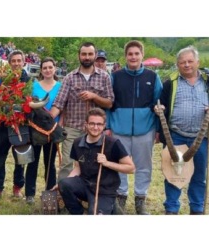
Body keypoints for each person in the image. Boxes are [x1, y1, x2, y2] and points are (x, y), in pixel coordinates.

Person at [156, 46, 209, 215]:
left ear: (197, 62)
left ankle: (196, 209)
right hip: (175, 135)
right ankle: (171, 208)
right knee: (173, 173)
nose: (186, 65)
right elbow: (162, 105)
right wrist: (160, 109)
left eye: (190, 61)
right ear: (178, 64)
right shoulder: (170, 83)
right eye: (182, 62)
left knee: (199, 174)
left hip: (199, 137)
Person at [106, 40, 163, 215]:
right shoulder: (115, 76)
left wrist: (158, 129)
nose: (133, 57)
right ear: (125, 56)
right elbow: (108, 103)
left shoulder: (152, 77)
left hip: (145, 129)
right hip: (118, 129)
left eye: (136, 53)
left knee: (144, 165)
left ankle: (140, 199)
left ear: (142, 55)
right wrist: (108, 127)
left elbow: (159, 104)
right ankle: (121, 196)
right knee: (119, 163)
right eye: (130, 54)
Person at [50, 42, 114, 183]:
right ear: (79, 56)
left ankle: (89, 194)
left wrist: (94, 96)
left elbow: (109, 103)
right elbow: (59, 103)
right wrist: (47, 119)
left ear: (95, 55)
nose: (87, 57)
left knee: (93, 164)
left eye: (90, 54)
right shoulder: (69, 77)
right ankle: (63, 194)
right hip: (72, 127)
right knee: (66, 163)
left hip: (95, 129)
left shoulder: (104, 77)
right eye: (84, 54)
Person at [55, 108, 135, 215]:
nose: (95, 127)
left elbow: (131, 168)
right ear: (86, 124)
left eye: (99, 124)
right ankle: (78, 212)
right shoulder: (77, 142)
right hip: (85, 185)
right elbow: (78, 168)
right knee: (63, 184)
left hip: (104, 190)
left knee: (96, 214)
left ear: (104, 125)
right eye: (92, 123)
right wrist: (62, 184)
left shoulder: (113, 143)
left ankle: (111, 206)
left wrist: (107, 163)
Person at [0, 49, 31, 201]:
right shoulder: (3, 79)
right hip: (4, 121)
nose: (16, 63)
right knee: (0, 156)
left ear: (24, 62)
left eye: (19, 61)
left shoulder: (29, 80)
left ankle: (17, 187)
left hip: (21, 123)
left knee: (21, 156)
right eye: (14, 61)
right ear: (10, 62)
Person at [24, 57, 62, 204]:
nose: (47, 70)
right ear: (41, 70)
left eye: (50, 67)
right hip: (36, 130)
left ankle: (50, 193)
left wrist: (60, 125)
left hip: (52, 130)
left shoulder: (60, 86)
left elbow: (63, 106)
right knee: (32, 161)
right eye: (44, 68)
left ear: (55, 69)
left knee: (50, 163)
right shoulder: (34, 86)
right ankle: (29, 194)